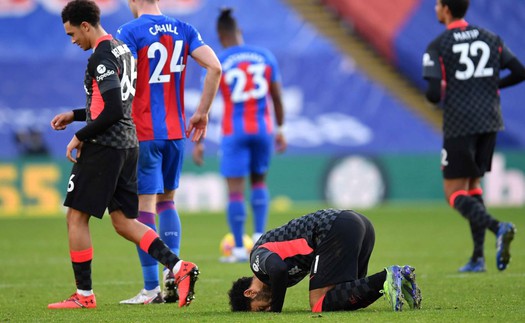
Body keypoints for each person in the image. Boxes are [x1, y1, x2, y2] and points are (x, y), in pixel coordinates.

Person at [48, 0, 199, 309]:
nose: (73, 40)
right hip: (129, 143)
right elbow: (115, 102)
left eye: (72, 34)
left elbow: (113, 108)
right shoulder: (121, 49)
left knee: (75, 217)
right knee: (124, 222)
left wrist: (81, 134)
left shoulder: (101, 56)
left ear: (86, 26)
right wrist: (77, 114)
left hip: (106, 146)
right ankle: (178, 267)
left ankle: (84, 296)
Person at [115, 0, 221, 304]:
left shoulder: (129, 31)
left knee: (142, 206)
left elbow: (126, 81)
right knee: (168, 201)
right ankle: (172, 272)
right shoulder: (184, 29)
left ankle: (151, 288)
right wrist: (202, 112)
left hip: (144, 131)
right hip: (176, 132)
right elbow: (214, 67)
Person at [422, 0, 525, 272]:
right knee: (473, 186)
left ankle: (498, 227)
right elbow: (520, 71)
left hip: (460, 123)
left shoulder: (439, 45)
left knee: (453, 193)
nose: (435, 8)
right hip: (490, 121)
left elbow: (433, 94)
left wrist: (446, 91)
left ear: (445, 9)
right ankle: (478, 258)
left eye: (436, 4)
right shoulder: (491, 38)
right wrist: (489, 86)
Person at [195, 8, 286, 263]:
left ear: (220, 36)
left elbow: (207, 103)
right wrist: (280, 130)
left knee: (235, 192)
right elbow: (277, 97)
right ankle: (260, 242)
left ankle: (237, 248)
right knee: (259, 183)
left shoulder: (218, 61)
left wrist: (200, 142)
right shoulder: (264, 56)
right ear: (239, 32)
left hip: (235, 131)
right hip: (263, 129)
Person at [227, 208, 422, 312]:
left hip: (333, 228)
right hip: (357, 224)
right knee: (345, 298)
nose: (267, 308)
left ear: (250, 293)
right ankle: (399, 277)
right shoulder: (278, 279)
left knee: (318, 302)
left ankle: (388, 276)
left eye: (260, 310)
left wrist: (276, 311)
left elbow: (278, 269)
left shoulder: (257, 259)